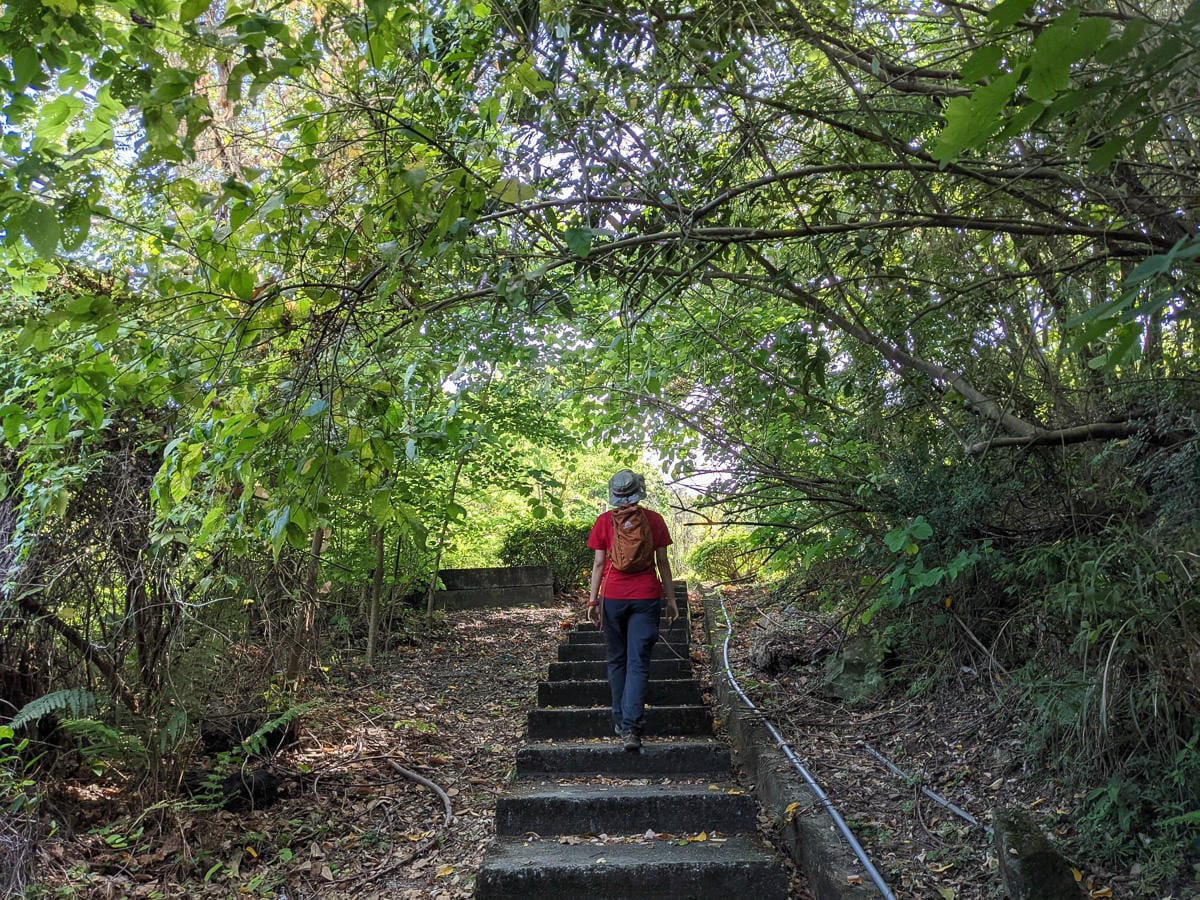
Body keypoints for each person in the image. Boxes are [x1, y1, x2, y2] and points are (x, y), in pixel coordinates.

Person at [586, 469, 677, 752]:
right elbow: (662, 562)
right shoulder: (654, 520)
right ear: (640, 490)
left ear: (614, 495)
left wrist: (592, 601)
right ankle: (631, 729)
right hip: (647, 596)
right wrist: (671, 599)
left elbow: (599, 564)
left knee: (617, 660)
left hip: (613, 597)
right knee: (638, 662)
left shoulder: (604, 521)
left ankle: (619, 719)